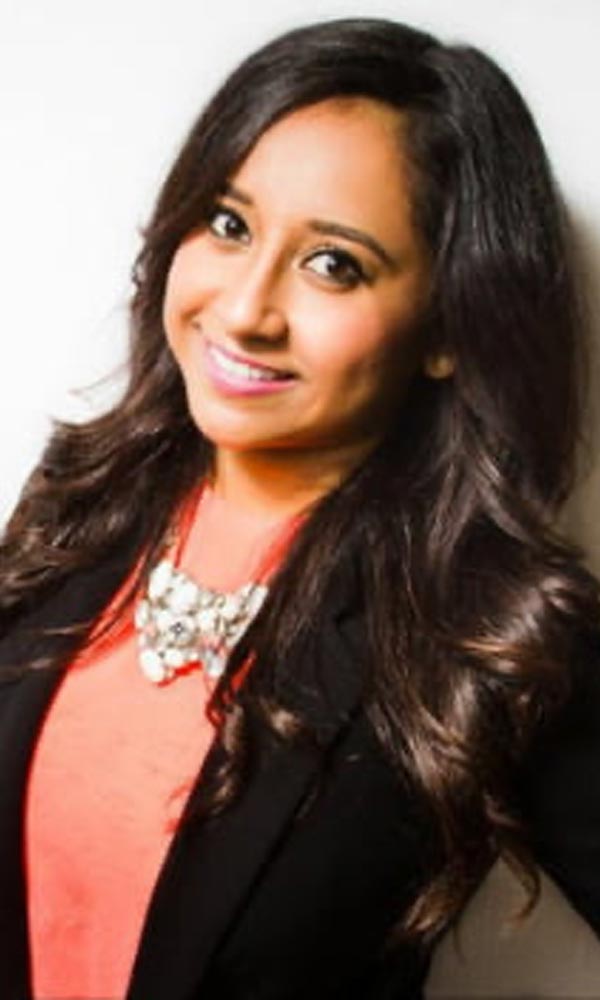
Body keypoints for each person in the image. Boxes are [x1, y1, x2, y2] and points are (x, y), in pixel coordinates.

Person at [0, 15, 599, 1000]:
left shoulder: (492, 628)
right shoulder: (78, 507)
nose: (243, 309)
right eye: (228, 225)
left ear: (449, 324)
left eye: (335, 264)